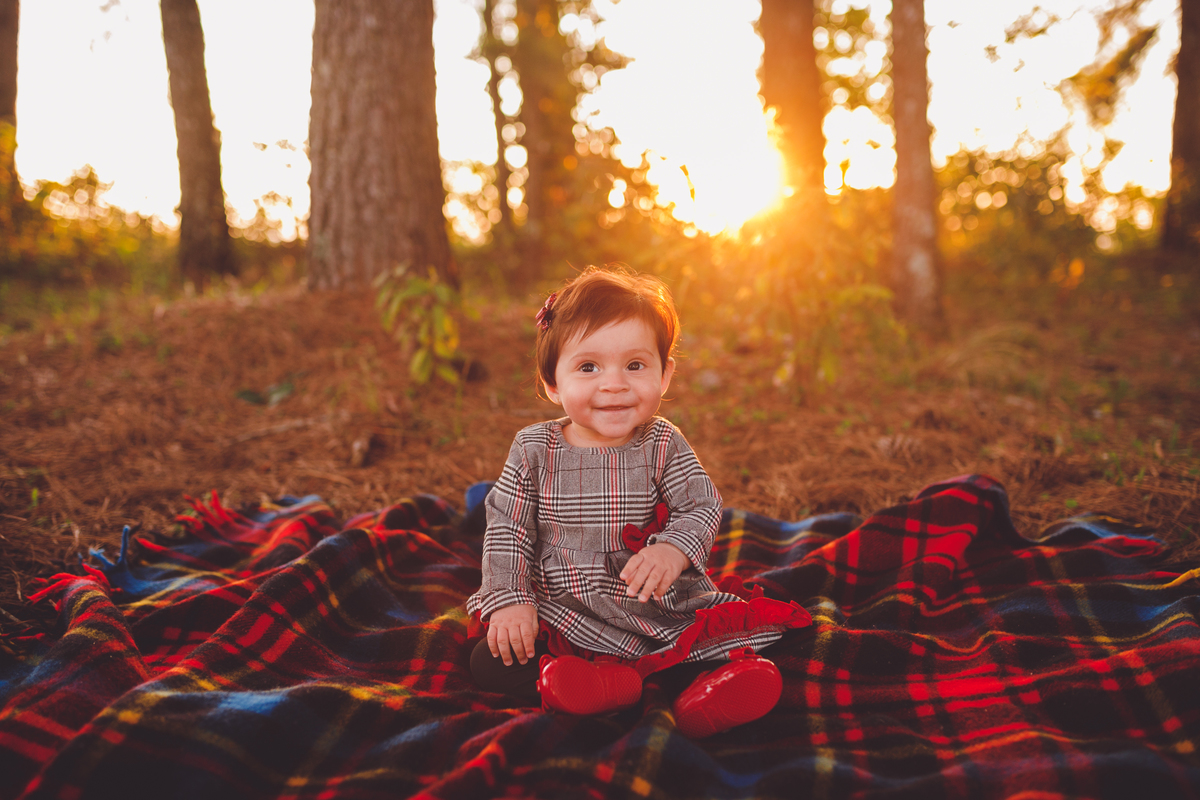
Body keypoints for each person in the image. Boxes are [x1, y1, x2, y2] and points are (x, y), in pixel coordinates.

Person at [466, 267, 810, 737]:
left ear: (665, 375)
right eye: (588, 367)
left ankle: (695, 693)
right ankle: (606, 686)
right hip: (565, 603)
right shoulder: (534, 449)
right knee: (493, 660)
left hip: (650, 603)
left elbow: (700, 505)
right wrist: (510, 600)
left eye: (635, 365)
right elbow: (508, 528)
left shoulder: (662, 442)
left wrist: (672, 550)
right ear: (552, 383)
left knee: (708, 643)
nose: (614, 384)